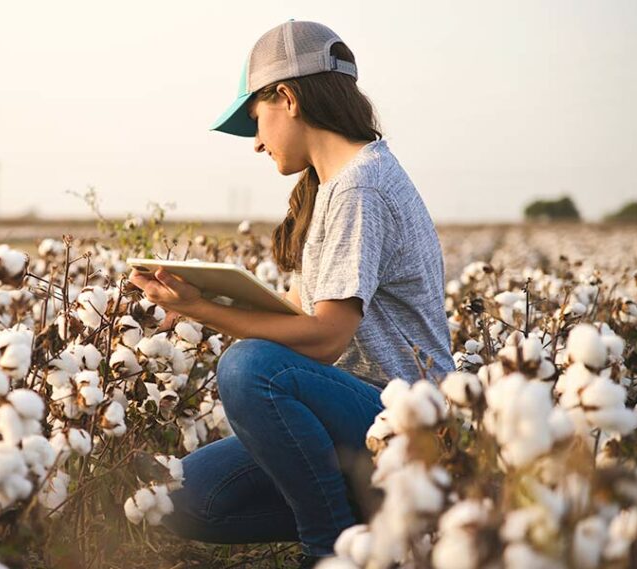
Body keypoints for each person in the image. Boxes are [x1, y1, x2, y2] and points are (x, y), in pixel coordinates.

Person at [127, 20, 455, 568]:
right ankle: (379, 524)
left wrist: (203, 309)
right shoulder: (335, 185)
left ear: (287, 97)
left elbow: (325, 339)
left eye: (256, 119)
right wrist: (214, 300)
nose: (255, 141)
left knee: (249, 368)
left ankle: (328, 550)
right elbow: (310, 322)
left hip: (409, 421)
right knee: (182, 499)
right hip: (355, 409)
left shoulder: (361, 186)